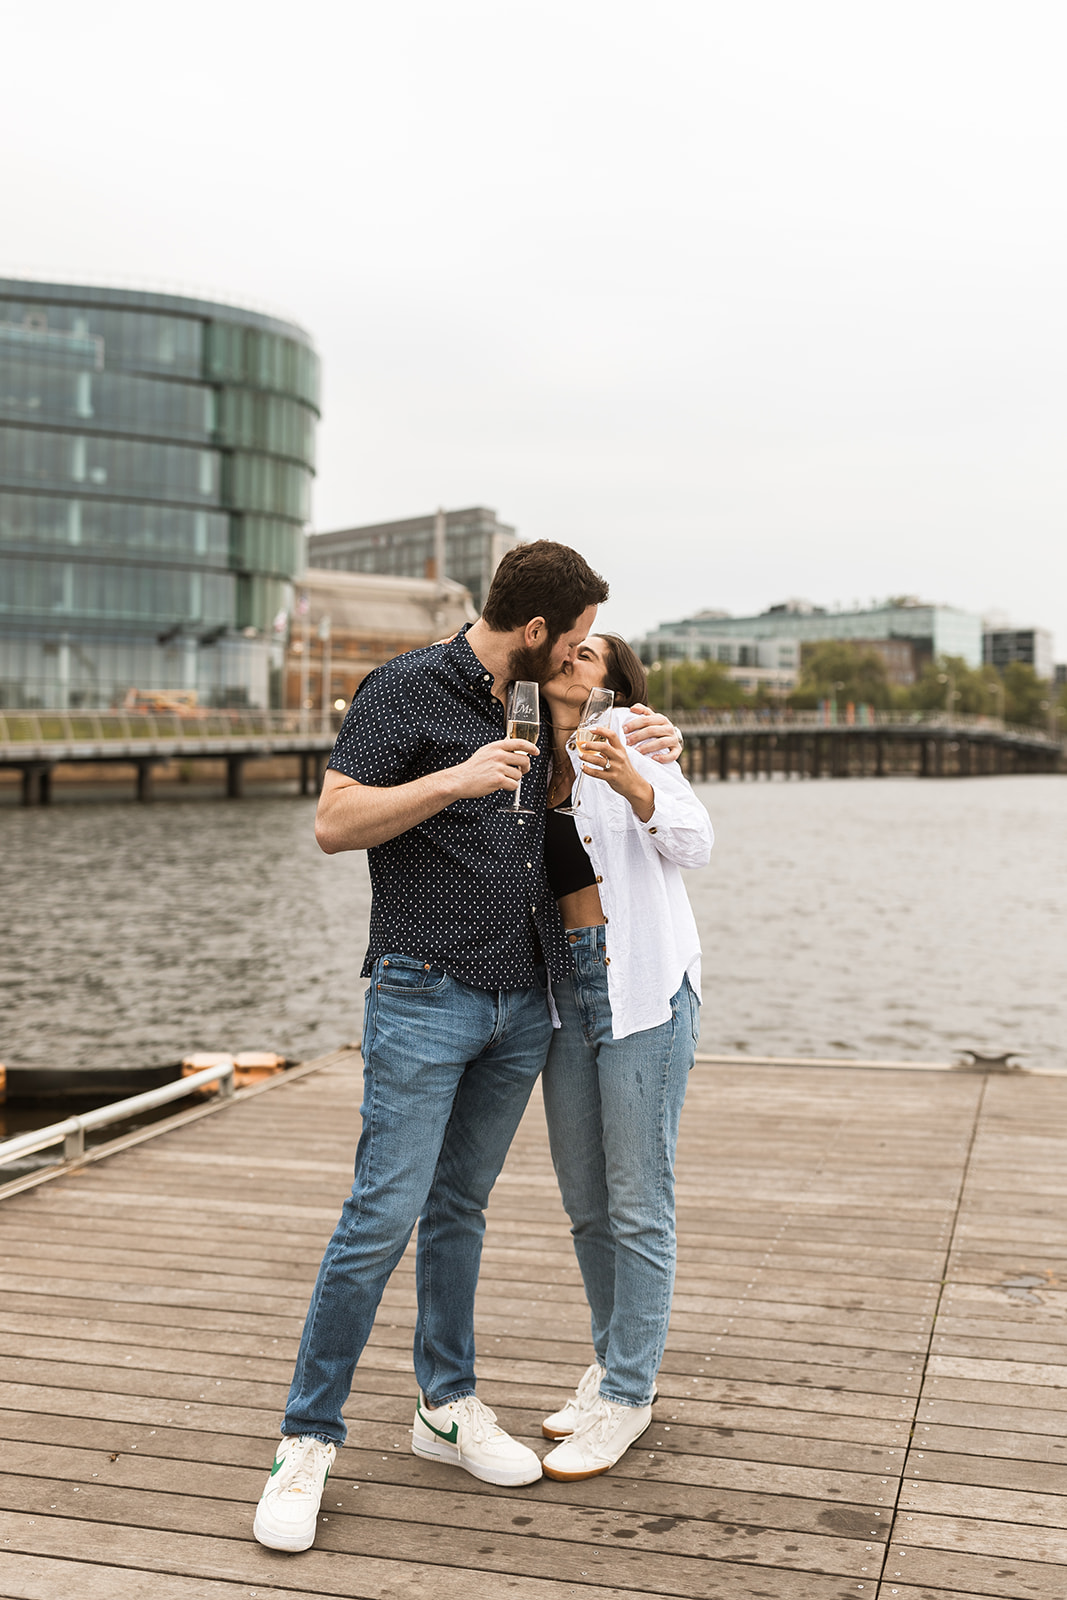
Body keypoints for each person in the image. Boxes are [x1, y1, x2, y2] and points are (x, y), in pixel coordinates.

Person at [253, 542, 682, 1552]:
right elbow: (332, 822)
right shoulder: (404, 688)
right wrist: (455, 779)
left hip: (523, 1005)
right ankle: (306, 1440)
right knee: (379, 1217)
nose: (578, 657)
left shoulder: (535, 702)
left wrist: (658, 730)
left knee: (459, 1210)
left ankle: (445, 1404)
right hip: (424, 992)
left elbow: (611, 769)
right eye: (572, 641)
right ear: (533, 630)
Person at [534, 632, 712, 1481]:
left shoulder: (636, 739)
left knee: (638, 1203)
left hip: (641, 986)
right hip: (562, 995)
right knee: (586, 1206)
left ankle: (629, 1394)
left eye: (590, 654)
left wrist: (636, 784)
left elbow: (696, 844)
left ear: (614, 682)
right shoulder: (522, 755)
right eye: (567, 647)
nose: (571, 657)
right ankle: (610, 1365)